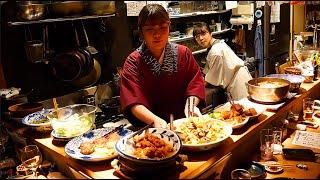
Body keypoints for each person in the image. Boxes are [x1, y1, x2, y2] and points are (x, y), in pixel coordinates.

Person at [120, 4, 205, 128]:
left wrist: (191, 107)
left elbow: (195, 83)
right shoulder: (133, 61)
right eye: (149, 29)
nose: (157, 34)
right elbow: (132, 100)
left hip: (185, 124)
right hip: (152, 129)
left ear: (169, 26)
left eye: (162, 27)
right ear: (141, 31)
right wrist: (154, 120)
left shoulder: (184, 53)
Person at [193, 22, 252, 101]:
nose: (201, 38)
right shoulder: (215, 45)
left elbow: (210, 79)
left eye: (203, 34)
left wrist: (195, 86)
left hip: (238, 83)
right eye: (197, 36)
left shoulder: (215, 51)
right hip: (237, 79)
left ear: (211, 33)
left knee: (245, 109)